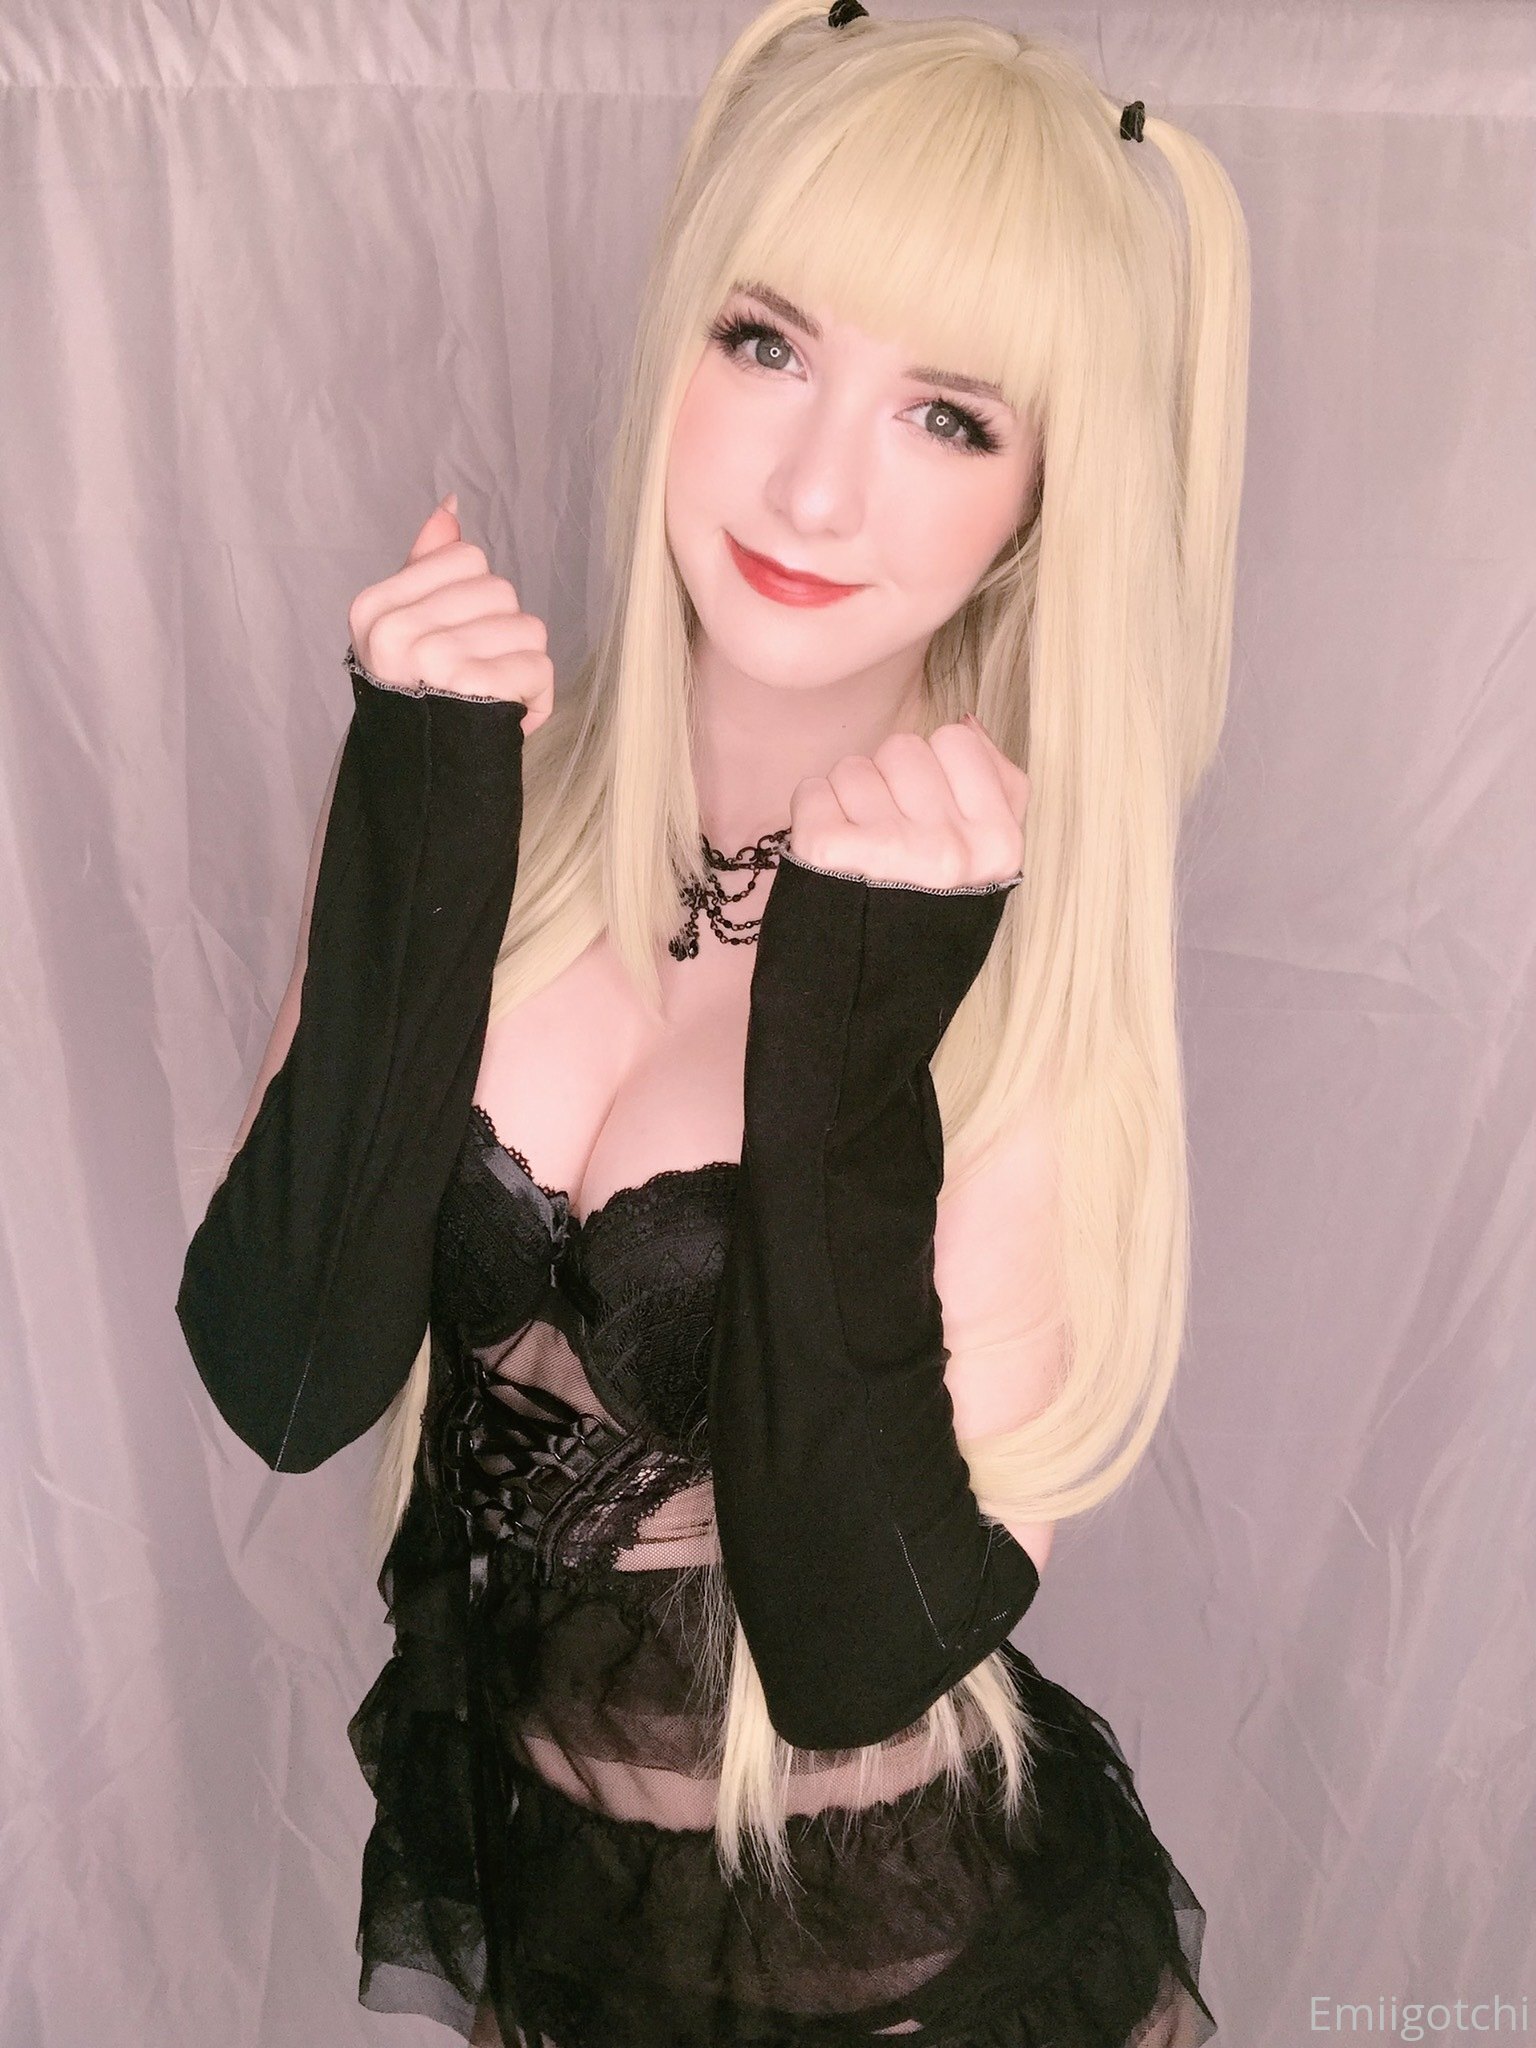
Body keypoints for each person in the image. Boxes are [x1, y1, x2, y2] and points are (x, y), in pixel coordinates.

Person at [176, 2, 1249, 2040]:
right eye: (764, 343)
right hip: (548, 1931)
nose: (817, 486)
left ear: (1041, 503)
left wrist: (853, 1014)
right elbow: (289, 1371)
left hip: (903, 1980)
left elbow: (856, 1642)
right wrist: (419, 815)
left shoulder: (1016, 975)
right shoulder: (500, 803)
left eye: (951, 419)